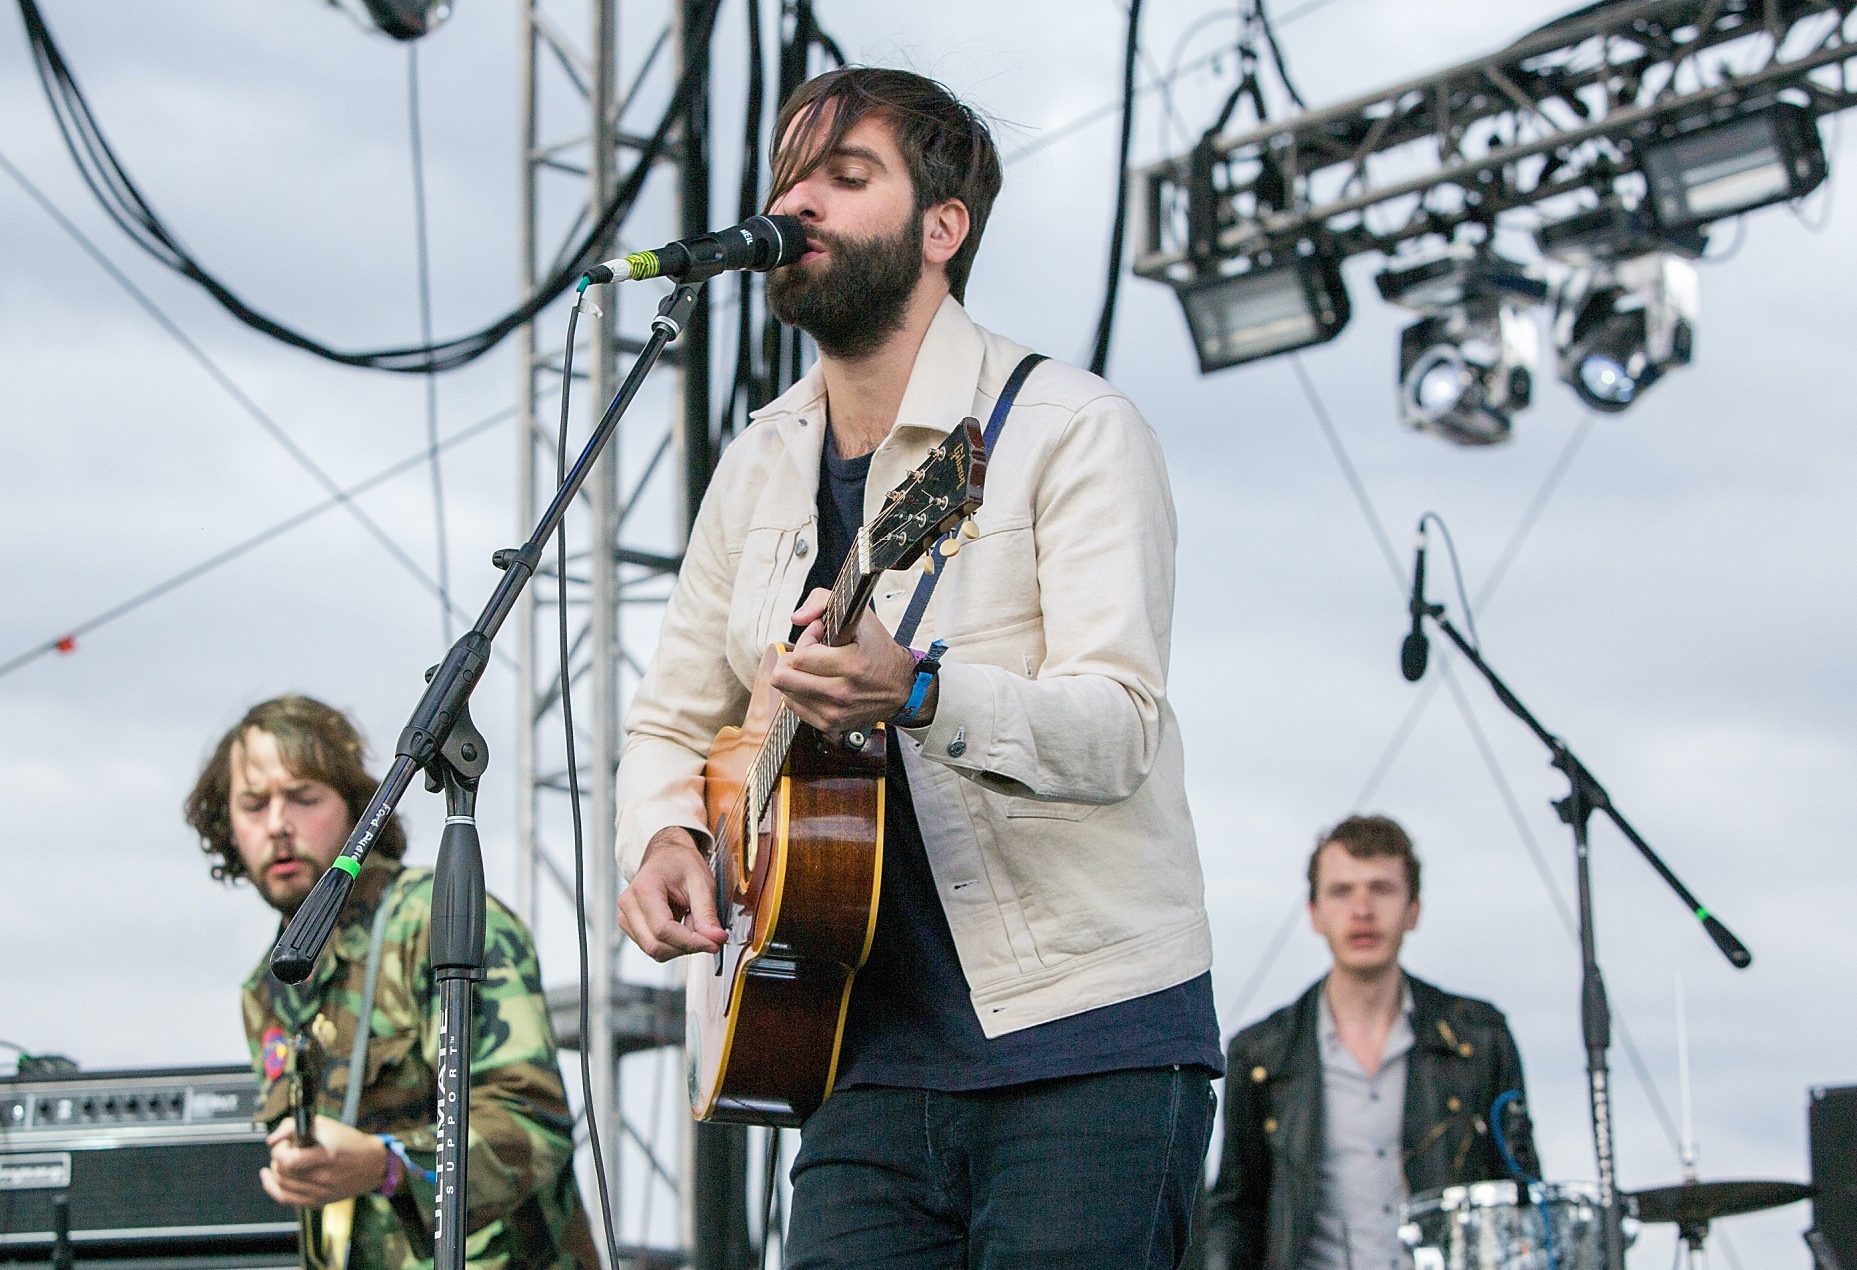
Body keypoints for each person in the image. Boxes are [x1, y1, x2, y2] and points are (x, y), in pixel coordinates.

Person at [613, 67, 1223, 1269]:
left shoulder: (1068, 427)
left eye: (845, 178)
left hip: (1083, 1038)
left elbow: (1116, 729)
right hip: (849, 1044)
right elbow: (667, 722)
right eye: (790, 178)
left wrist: (924, 693)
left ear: (942, 229)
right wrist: (664, 840)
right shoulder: (757, 461)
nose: (800, 205)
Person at [185, 695, 598, 1270]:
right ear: (225, 827)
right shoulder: (265, 989)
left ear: (358, 809)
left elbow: (532, 1127)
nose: (278, 825)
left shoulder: (434, 921)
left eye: (305, 798)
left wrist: (388, 1165)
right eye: (253, 805)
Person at [1202, 815, 1541, 1270]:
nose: (1362, 909)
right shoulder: (1262, 1053)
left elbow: (1521, 1194)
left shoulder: (1481, 1037)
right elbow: (1236, 1210)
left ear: (1413, 909)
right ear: (1314, 913)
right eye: (1342, 891)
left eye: (1381, 888)